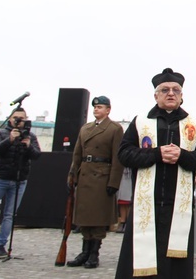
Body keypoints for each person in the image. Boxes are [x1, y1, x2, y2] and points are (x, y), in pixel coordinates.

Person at [115, 68, 196, 279]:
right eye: (165, 89)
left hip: (178, 205)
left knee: (174, 264)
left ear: (182, 95)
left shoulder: (194, 123)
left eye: (176, 90)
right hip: (146, 204)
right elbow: (124, 154)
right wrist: (156, 154)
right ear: (156, 95)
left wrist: (183, 156)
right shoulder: (140, 122)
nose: (171, 93)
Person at [65, 95, 124, 268]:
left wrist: (114, 182)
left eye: (100, 107)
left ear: (108, 110)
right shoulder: (85, 128)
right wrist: (72, 174)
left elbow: (117, 158)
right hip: (85, 175)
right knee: (84, 217)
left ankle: (93, 253)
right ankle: (84, 251)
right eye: (95, 107)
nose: (96, 109)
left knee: (97, 218)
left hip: (102, 177)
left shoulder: (114, 129)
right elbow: (77, 153)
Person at [0, 107, 41, 258]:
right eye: (16, 118)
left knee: (9, 214)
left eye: (22, 118)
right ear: (10, 118)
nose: (18, 121)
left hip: (19, 180)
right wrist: (9, 140)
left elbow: (37, 155)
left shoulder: (30, 136)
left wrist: (28, 146)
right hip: (0, 179)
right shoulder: (2, 132)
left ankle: (1, 245)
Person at [116, 166, 133, 233]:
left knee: (129, 201)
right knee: (122, 200)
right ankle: (122, 221)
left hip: (132, 174)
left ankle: (128, 222)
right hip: (122, 174)